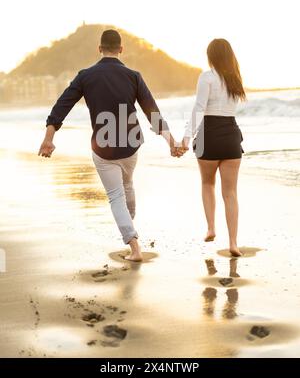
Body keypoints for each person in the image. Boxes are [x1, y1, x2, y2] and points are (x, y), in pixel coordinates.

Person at [38, 29, 180, 262]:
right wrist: (170, 141)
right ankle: (130, 229)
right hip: (130, 143)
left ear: (99, 49)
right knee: (127, 184)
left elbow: (62, 105)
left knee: (116, 196)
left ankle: (134, 246)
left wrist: (49, 137)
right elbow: (152, 111)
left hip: (103, 146)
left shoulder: (85, 76)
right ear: (121, 49)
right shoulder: (134, 75)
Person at [180, 38, 246, 257]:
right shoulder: (235, 79)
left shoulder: (207, 77)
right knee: (231, 193)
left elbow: (199, 107)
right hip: (230, 137)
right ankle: (233, 243)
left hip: (209, 136)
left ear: (211, 56)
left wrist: (187, 138)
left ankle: (211, 228)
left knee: (207, 183)